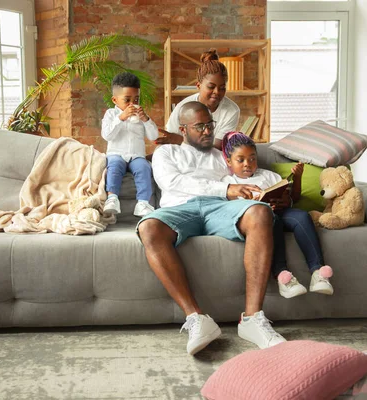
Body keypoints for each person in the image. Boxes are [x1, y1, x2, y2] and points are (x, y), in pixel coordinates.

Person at [137, 101, 286, 356]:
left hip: (221, 208)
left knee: (261, 213)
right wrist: (225, 189)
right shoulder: (167, 153)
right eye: (200, 127)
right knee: (149, 227)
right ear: (183, 130)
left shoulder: (223, 156)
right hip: (181, 209)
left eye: (210, 125)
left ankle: (252, 320)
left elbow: (249, 174)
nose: (207, 131)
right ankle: (197, 319)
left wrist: (274, 196)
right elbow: (172, 182)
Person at [220, 132, 334, 299]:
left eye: (252, 158)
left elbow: (291, 198)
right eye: (241, 160)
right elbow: (229, 209)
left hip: (279, 211)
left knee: (302, 216)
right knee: (273, 222)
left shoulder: (268, 175)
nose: (248, 164)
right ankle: (283, 277)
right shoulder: (228, 183)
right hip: (260, 219)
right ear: (229, 161)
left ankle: (318, 272)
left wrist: (286, 197)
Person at [156, 49, 240, 151]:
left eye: (222, 88)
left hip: (211, 159)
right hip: (183, 155)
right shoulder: (183, 107)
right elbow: (169, 140)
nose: (217, 92)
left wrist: (180, 140)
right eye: (211, 87)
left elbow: (217, 149)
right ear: (198, 85)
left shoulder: (231, 110)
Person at [101, 72, 159, 217]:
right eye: (127, 100)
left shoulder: (141, 116)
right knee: (114, 167)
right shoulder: (110, 114)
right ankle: (112, 198)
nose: (132, 104)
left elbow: (154, 136)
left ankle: (143, 203)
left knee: (144, 167)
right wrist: (121, 118)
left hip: (136, 155)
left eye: (136, 99)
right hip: (116, 154)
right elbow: (107, 135)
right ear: (115, 99)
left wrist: (146, 119)